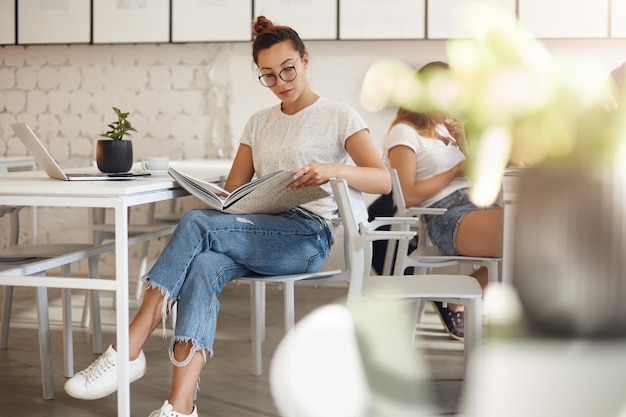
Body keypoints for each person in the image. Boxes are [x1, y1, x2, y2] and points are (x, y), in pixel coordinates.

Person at [63, 16, 390, 417]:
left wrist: (332, 169)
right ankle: (180, 407)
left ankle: (129, 347)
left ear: (306, 60)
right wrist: (219, 193)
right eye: (269, 76)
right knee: (203, 264)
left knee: (196, 224)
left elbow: (383, 180)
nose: (281, 81)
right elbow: (234, 192)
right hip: (256, 229)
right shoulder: (259, 123)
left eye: (288, 69)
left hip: (307, 236)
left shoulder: (339, 115)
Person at [382, 61, 503, 341]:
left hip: (476, 206)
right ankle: (459, 298)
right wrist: (454, 171)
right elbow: (408, 196)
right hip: (447, 216)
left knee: (534, 238)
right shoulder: (403, 132)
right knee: (529, 236)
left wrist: (464, 145)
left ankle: (456, 298)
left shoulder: (444, 131)